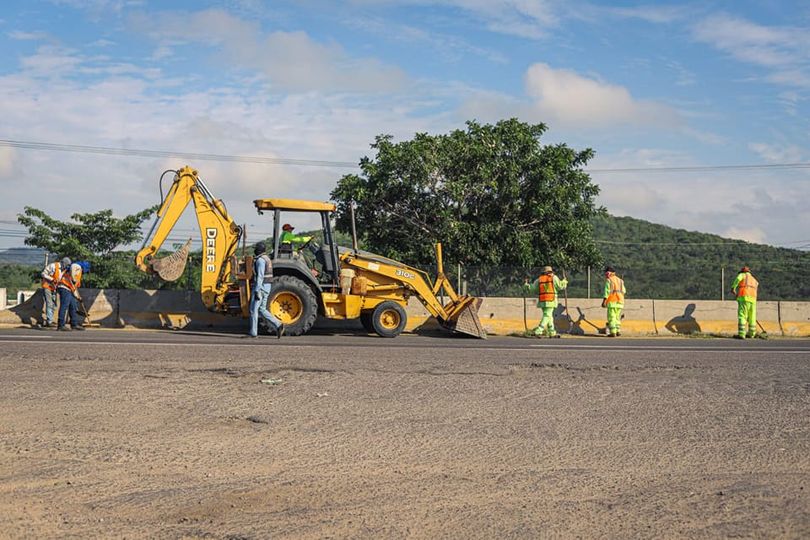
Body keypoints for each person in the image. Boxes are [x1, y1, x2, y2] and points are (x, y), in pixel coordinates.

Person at [247, 241, 284, 339]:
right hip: (267, 287)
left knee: (253, 310)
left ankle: (253, 333)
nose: (254, 250)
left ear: (258, 250)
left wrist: (256, 290)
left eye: (255, 248)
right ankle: (278, 324)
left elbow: (260, 276)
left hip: (261, 288)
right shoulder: (267, 259)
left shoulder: (260, 260)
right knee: (262, 309)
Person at [524, 266, 568, 338]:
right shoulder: (554, 278)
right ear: (551, 271)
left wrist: (526, 285)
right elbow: (560, 286)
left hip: (542, 300)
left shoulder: (539, 279)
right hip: (551, 300)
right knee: (547, 316)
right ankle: (538, 330)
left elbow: (533, 288)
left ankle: (552, 332)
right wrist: (564, 281)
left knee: (549, 316)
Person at [40, 256, 70, 328]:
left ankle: (50, 319)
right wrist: (51, 279)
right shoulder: (53, 266)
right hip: (47, 286)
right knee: (50, 303)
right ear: (63, 263)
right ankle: (49, 321)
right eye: (67, 265)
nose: (67, 267)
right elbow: (43, 274)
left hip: (54, 288)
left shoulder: (63, 270)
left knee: (54, 304)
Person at [731, 265, 758, 339]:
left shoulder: (742, 275)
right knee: (752, 316)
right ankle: (752, 333)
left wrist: (733, 288)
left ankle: (742, 334)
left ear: (743, 271)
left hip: (744, 298)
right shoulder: (753, 279)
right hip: (753, 299)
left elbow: (737, 279)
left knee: (742, 315)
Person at [56, 261, 85, 331]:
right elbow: (73, 268)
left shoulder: (78, 272)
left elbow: (74, 287)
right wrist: (73, 279)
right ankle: (60, 325)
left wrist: (78, 297)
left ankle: (74, 324)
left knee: (73, 306)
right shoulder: (76, 267)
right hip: (64, 287)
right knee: (64, 306)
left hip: (69, 289)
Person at [602, 266, 626, 337]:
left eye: (606, 273)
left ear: (609, 273)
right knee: (617, 317)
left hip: (612, 301)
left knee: (611, 317)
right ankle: (618, 331)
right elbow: (624, 291)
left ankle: (613, 332)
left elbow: (606, 292)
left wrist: (604, 302)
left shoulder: (609, 280)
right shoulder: (620, 281)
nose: (606, 275)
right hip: (620, 302)